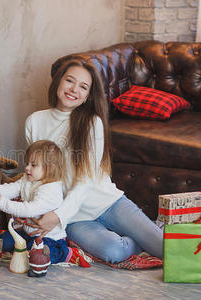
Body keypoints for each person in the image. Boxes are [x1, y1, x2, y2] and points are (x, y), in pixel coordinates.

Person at [24, 58, 163, 263]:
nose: (73, 90)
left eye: (83, 87)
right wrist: (33, 210)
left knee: (164, 248)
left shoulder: (91, 123)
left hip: (107, 202)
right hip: (75, 218)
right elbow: (36, 176)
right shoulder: (34, 121)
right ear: (58, 82)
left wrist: (58, 216)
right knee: (113, 252)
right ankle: (141, 237)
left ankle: (148, 232)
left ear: (88, 95)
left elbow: (86, 181)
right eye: (69, 81)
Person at [0, 140, 90, 270]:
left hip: (49, 238)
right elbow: (11, 188)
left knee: (37, 257)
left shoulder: (50, 190)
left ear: (50, 168)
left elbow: (29, 209)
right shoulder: (28, 179)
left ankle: (66, 254)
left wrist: (3, 202)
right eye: (27, 163)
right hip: (28, 233)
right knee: (3, 242)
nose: (27, 168)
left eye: (33, 165)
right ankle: (22, 243)